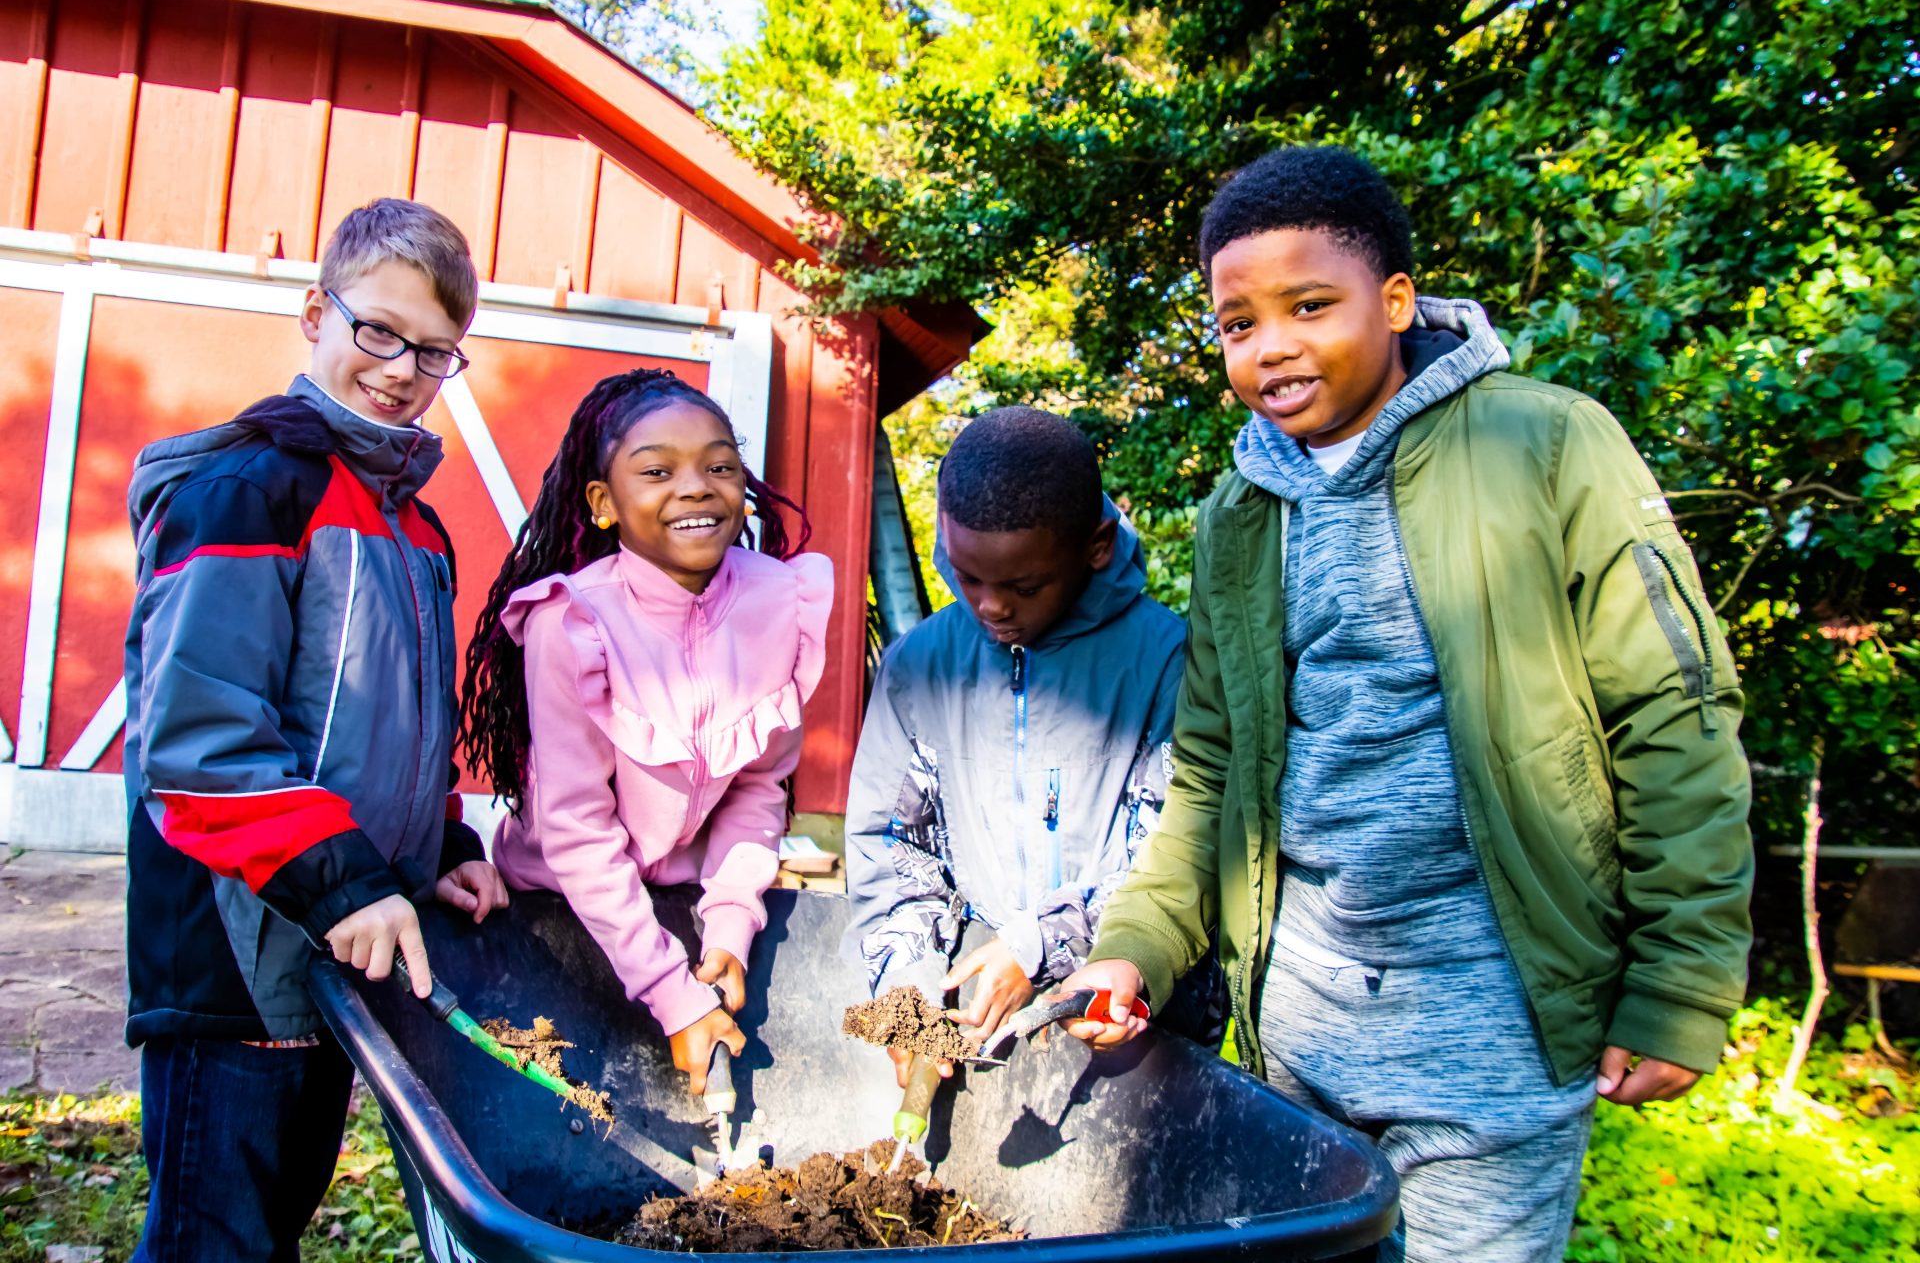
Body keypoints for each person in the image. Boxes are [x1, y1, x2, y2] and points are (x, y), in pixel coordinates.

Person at [1061, 147, 1753, 1262]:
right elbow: (1210, 772)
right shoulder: (1240, 515)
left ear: (1395, 302)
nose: (1272, 343)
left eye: (1310, 304)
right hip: (1297, 1034)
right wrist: (1133, 943)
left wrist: (1681, 975)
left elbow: (1671, 715)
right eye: (1238, 323)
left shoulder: (1544, 442)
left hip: (1493, 1031)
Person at [123, 198, 508, 1262]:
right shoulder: (251, 491)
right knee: (220, 1241)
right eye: (376, 329)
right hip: (238, 958)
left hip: (340, 957)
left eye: (433, 353)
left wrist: (445, 852)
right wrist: (345, 882)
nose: (399, 368)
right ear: (315, 311)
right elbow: (198, 744)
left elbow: (401, 729)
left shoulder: (413, 523)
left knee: (275, 1222)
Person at [459, 368, 831, 1096]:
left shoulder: (781, 603)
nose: (696, 487)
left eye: (720, 465)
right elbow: (577, 830)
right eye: (657, 470)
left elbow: (758, 789)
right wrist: (667, 988)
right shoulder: (573, 624)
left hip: (685, 909)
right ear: (604, 503)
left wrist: (727, 926)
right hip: (557, 920)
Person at [844, 405, 1188, 1087]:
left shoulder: (1167, 659)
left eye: (1023, 586)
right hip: (978, 1001)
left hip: (1123, 1018)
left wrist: (1038, 945)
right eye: (968, 577)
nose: (992, 606)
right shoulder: (920, 667)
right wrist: (912, 991)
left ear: (1093, 547)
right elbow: (892, 849)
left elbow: (1170, 854)